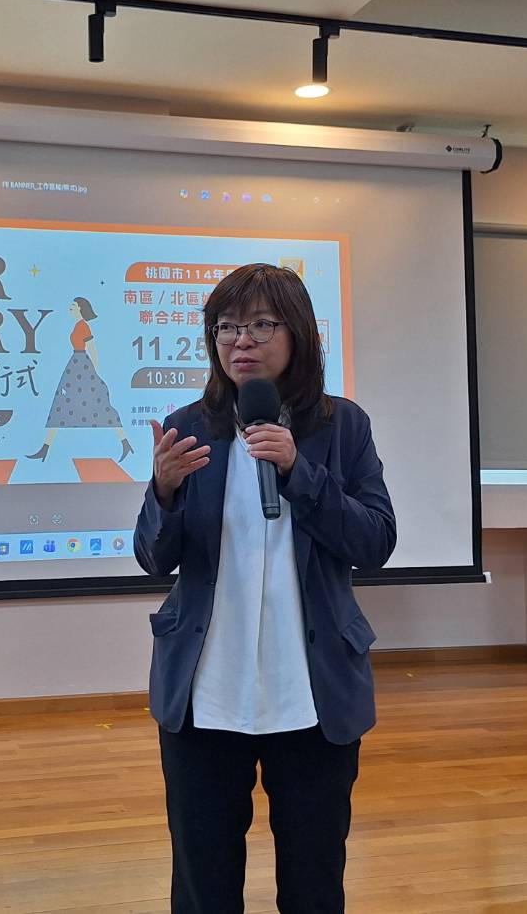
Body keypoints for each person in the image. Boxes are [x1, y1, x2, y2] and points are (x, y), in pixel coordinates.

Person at [133, 263, 395, 914]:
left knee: (313, 880)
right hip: (206, 690)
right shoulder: (188, 425)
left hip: (309, 691)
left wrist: (299, 472)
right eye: (225, 327)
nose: (239, 341)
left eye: (259, 325)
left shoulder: (342, 427)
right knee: (203, 882)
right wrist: (162, 492)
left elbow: (375, 542)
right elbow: (153, 559)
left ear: (297, 332)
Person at [27, 296, 133, 463]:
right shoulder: (78, 325)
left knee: (99, 406)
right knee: (60, 405)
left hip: (82, 366)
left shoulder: (83, 326)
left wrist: (95, 372)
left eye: (74, 305)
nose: (71, 307)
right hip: (75, 364)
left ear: (80, 309)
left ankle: (125, 443)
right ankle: (45, 448)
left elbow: (92, 349)